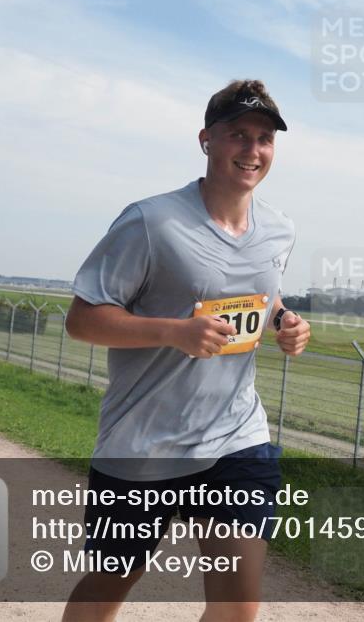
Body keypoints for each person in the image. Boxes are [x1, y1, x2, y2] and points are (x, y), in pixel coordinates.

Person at [63, 79, 311, 622]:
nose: (253, 150)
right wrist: (172, 332)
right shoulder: (151, 221)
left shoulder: (280, 229)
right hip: (143, 443)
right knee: (107, 586)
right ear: (206, 140)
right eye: (238, 135)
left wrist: (285, 321)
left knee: (238, 607)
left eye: (265, 138)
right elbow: (82, 319)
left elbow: (261, 296)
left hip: (235, 436)